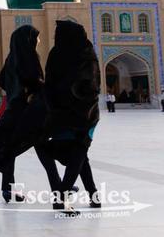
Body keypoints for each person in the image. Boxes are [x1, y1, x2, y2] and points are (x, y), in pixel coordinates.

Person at [39, 20, 101, 214]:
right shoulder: (86, 53)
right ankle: (69, 196)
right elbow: (92, 85)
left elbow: (50, 84)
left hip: (63, 114)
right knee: (79, 153)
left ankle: (86, 195)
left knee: (80, 155)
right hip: (85, 114)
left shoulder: (56, 54)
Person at [0, 25, 44, 203]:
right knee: (42, 147)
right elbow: (34, 80)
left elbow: (1, 79)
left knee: (10, 148)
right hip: (27, 112)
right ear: (28, 39)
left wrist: (13, 91)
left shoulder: (12, 57)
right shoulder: (29, 56)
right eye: (36, 37)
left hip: (13, 110)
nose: (38, 40)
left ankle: (7, 189)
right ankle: (61, 186)